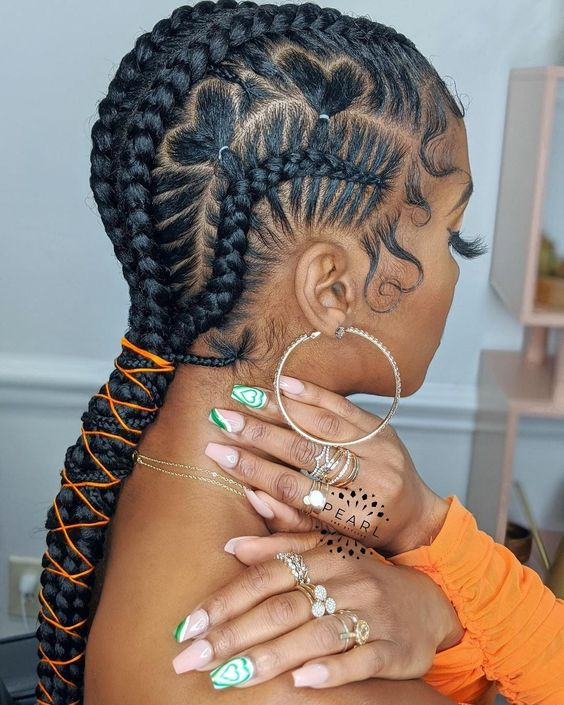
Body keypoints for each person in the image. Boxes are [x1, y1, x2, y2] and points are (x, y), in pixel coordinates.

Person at [32, 1, 563, 704]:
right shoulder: (302, 683)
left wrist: (427, 571)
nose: (456, 273)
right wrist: (449, 614)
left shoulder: (152, 453)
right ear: (332, 288)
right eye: (454, 238)